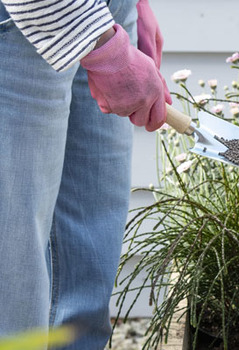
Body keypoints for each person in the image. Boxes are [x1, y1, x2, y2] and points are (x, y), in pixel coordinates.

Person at [0, 0, 170, 348]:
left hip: (100, 15)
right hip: (28, 16)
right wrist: (101, 42)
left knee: (86, 297)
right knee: (14, 311)